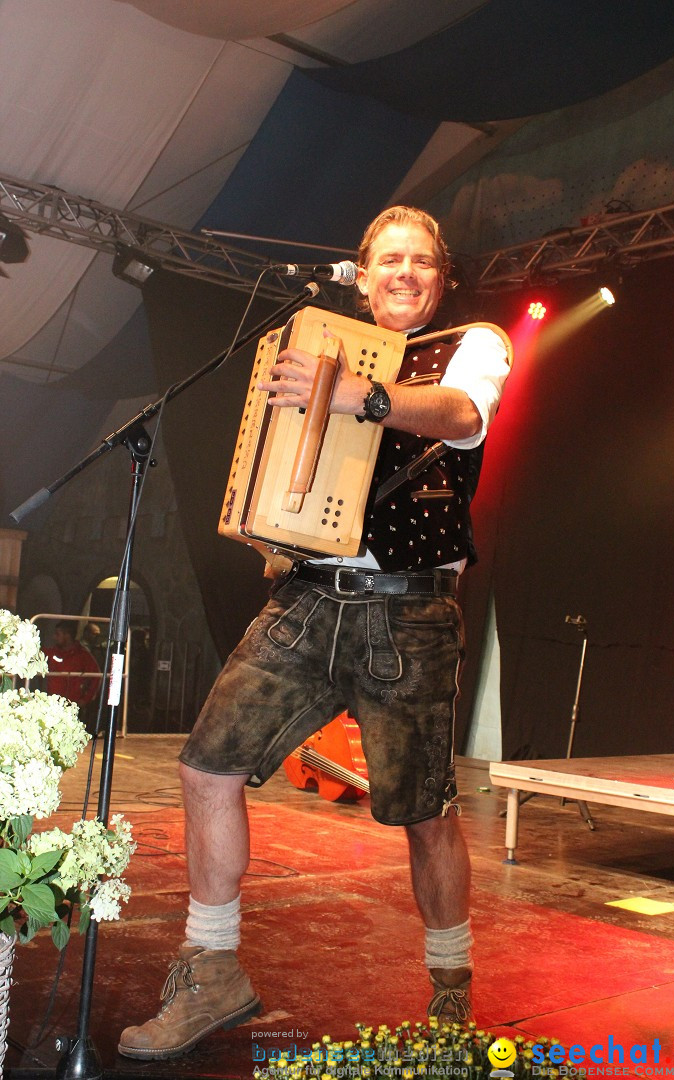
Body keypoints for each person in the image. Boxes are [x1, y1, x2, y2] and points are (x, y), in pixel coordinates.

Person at [118, 206, 511, 1060]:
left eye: (422, 262)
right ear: (362, 274)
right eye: (389, 261)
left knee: (426, 813)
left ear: (440, 278)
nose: (405, 273)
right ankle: (214, 971)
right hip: (305, 598)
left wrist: (358, 395)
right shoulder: (322, 343)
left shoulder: (473, 342)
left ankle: (450, 995)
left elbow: (460, 416)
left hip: (408, 613)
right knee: (205, 764)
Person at [44, 619, 101, 728]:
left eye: (57, 634)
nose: (54, 637)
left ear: (67, 635)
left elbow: (96, 677)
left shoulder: (82, 655)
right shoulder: (52, 652)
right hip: (53, 705)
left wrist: (86, 699)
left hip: (73, 706)